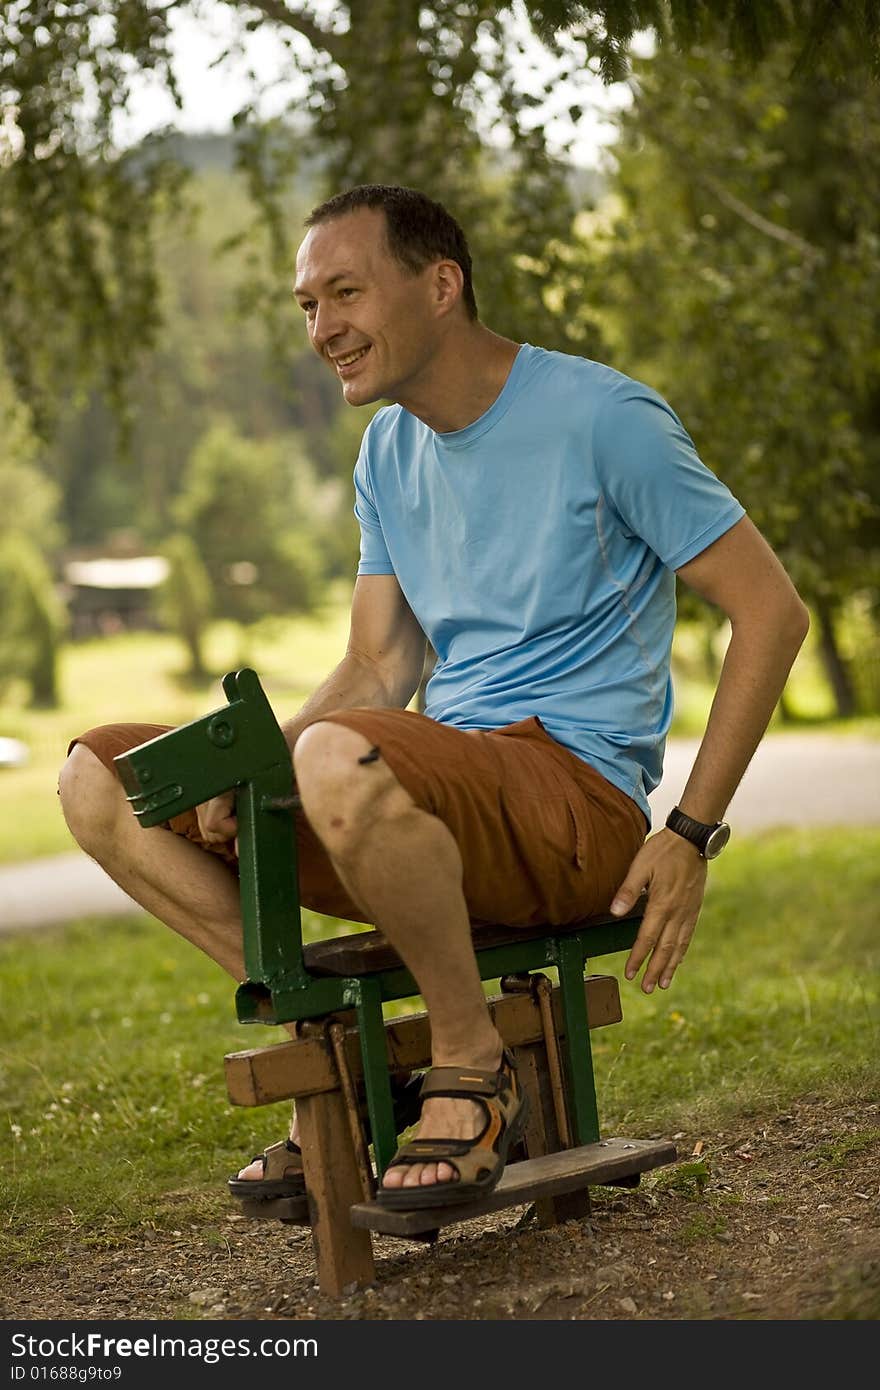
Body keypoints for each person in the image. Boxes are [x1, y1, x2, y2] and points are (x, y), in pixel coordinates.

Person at [58, 184, 809, 1211]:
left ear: (441, 285)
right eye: (307, 306)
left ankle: (471, 1064)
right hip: (425, 787)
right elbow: (375, 670)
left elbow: (771, 613)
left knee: (340, 752)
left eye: (346, 293)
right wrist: (258, 764)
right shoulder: (388, 453)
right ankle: (341, 1053)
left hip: (572, 798)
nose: (324, 329)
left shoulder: (602, 417)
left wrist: (689, 831)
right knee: (101, 778)